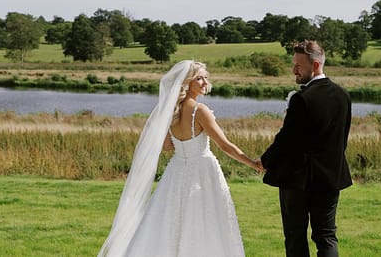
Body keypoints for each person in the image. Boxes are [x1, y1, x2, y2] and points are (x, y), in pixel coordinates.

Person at [98, 60, 263, 257]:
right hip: (202, 170)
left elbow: (167, 146)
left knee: (171, 220)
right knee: (204, 220)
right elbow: (225, 145)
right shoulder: (200, 111)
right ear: (187, 83)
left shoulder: (173, 111)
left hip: (176, 171)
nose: (205, 82)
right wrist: (252, 163)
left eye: (205, 78)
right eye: (199, 78)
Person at [260, 40, 352, 257]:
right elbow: (342, 140)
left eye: (298, 65)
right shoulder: (343, 96)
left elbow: (286, 139)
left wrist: (264, 160)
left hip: (298, 179)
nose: (293, 70)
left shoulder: (302, 99)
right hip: (331, 177)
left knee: (295, 236)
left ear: (316, 65)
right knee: (326, 235)